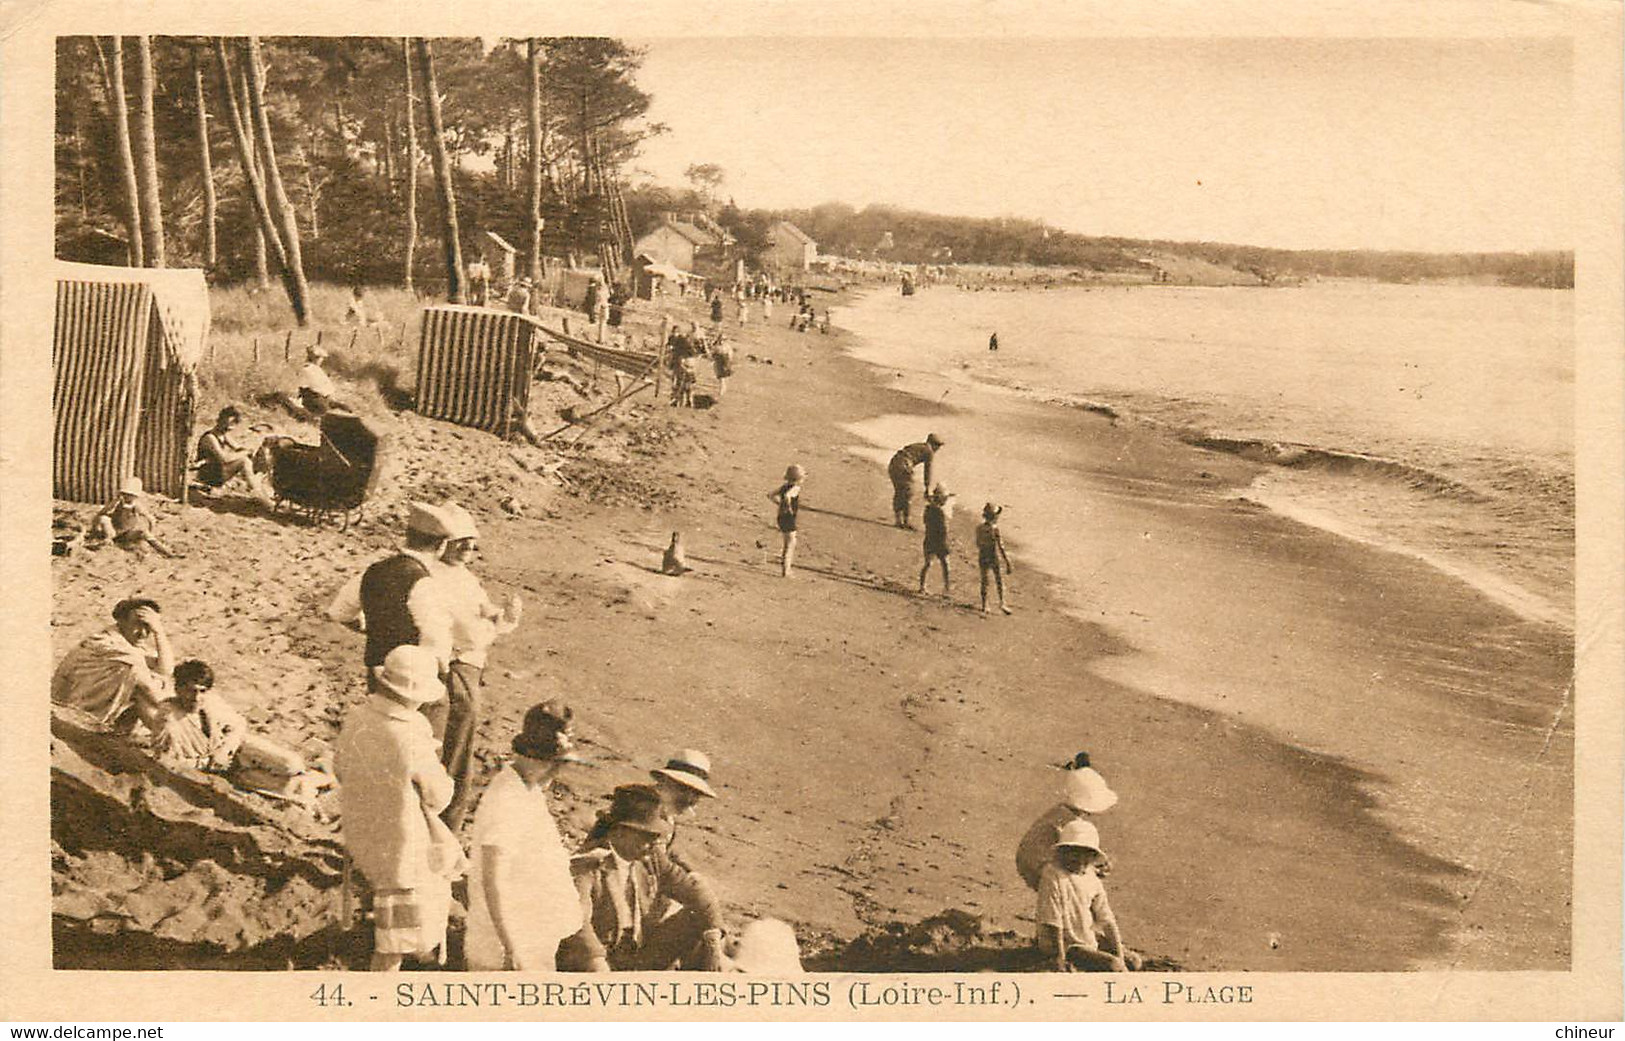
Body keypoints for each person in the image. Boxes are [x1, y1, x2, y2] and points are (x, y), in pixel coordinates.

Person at [333, 644, 463, 971]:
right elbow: (438, 796)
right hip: (401, 851)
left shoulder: (358, 717)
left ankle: (416, 946)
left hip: (361, 832)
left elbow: (340, 768)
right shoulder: (411, 734)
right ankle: (388, 977)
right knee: (399, 933)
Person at [465, 700, 589, 971]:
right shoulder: (506, 800)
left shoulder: (527, 788)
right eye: (553, 764)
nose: (557, 773)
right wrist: (511, 947)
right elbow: (492, 879)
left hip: (532, 932)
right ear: (531, 756)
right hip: (508, 944)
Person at [557, 785, 727, 972]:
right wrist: (596, 961)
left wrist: (713, 941)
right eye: (646, 835)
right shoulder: (587, 865)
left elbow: (695, 890)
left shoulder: (651, 859)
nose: (654, 843)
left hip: (638, 954)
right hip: (599, 960)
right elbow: (577, 921)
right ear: (619, 832)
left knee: (698, 920)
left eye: (655, 836)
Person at [429, 504, 522, 831]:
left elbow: (480, 609)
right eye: (461, 543)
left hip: (461, 663)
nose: (469, 550)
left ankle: (441, 823)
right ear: (444, 542)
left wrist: (500, 615)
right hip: (457, 667)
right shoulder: (438, 576)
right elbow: (470, 633)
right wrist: (498, 625)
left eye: (472, 543)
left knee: (447, 750)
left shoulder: (460, 576)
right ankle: (445, 826)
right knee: (456, 752)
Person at [51, 599, 200, 764]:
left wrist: (159, 631)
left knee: (154, 685)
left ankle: (180, 746)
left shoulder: (128, 644)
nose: (143, 633)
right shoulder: (107, 644)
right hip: (77, 708)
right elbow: (155, 695)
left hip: (93, 704)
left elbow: (165, 669)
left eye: (148, 628)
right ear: (121, 621)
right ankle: (182, 749)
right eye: (138, 624)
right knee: (141, 685)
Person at [356, 502, 456, 688]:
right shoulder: (424, 582)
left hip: (377, 669)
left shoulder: (375, 569)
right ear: (441, 545)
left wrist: (373, 629)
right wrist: (442, 671)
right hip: (412, 676)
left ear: (408, 536)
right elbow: (435, 639)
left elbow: (341, 612)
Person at [1035, 819, 1140, 972]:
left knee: (1134, 962)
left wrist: (1120, 953)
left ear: (1092, 856)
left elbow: (1106, 918)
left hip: (1086, 938)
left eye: (1085, 854)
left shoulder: (1091, 878)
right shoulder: (1053, 875)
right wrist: (1059, 958)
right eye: (1074, 852)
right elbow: (1053, 920)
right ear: (1064, 852)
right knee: (1113, 965)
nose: (1079, 859)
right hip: (1066, 944)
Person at [1015, 756, 1118, 890]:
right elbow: (1072, 854)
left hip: (1030, 860)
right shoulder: (1069, 823)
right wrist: (1093, 868)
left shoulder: (1060, 812)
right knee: (1082, 881)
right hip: (1038, 866)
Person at [86, 476, 180, 558]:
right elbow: (100, 514)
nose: (127, 497)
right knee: (104, 519)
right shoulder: (117, 503)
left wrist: (151, 531)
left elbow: (150, 519)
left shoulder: (137, 506)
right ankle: (107, 541)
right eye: (125, 494)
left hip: (128, 534)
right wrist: (96, 529)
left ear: (135, 496)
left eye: (130, 495)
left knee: (145, 533)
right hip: (114, 532)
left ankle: (166, 552)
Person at [194, 406, 272, 503]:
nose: (228, 429)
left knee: (248, 460)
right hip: (208, 474)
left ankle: (257, 489)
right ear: (219, 421)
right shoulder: (210, 438)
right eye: (227, 425)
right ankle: (258, 493)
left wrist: (253, 450)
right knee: (244, 461)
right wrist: (245, 453)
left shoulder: (223, 435)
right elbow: (224, 458)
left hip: (217, 470)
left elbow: (238, 447)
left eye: (231, 426)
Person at [887, 434, 944, 528]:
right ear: (933, 444)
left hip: (893, 464)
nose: (938, 449)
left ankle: (898, 520)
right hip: (904, 466)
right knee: (908, 493)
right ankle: (906, 521)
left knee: (899, 492)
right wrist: (927, 488)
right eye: (938, 446)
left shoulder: (920, 446)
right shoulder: (929, 451)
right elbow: (928, 471)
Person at [975, 503, 1014, 615]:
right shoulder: (995, 529)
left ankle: (984, 605)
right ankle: (1002, 602)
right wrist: (1007, 561)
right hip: (993, 555)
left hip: (983, 555)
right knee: (999, 580)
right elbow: (1001, 547)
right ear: (994, 517)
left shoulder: (979, 528)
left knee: (985, 581)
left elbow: (978, 543)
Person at [917, 485, 954, 595]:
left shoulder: (928, 509)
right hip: (940, 541)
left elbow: (925, 522)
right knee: (946, 565)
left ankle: (922, 586)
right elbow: (944, 529)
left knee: (928, 563)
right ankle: (946, 588)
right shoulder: (941, 512)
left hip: (929, 539)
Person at [769, 464, 804, 578]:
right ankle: (786, 570)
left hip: (781, 517)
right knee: (790, 543)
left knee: (787, 542)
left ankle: (786, 568)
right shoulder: (796, 488)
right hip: (789, 517)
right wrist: (787, 505)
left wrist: (779, 504)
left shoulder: (784, 487)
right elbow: (788, 496)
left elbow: (770, 495)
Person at [297, 345, 348, 416]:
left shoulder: (315, 369)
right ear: (315, 358)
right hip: (314, 400)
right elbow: (316, 387)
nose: (321, 361)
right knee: (332, 414)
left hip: (322, 399)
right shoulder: (308, 370)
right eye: (321, 358)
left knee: (345, 408)